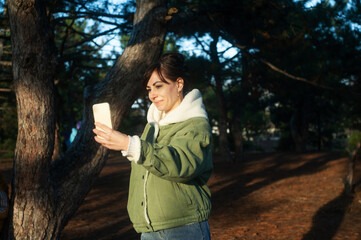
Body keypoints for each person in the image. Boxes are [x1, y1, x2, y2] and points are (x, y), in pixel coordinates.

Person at [93, 53, 213, 240]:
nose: (152, 95)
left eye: (158, 86)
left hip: (183, 227)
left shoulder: (195, 124)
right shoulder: (152, 126)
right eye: (149, 89)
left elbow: (180, 163)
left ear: (179, 84)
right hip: (149, 229)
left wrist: (129, 144)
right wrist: (126, 146)